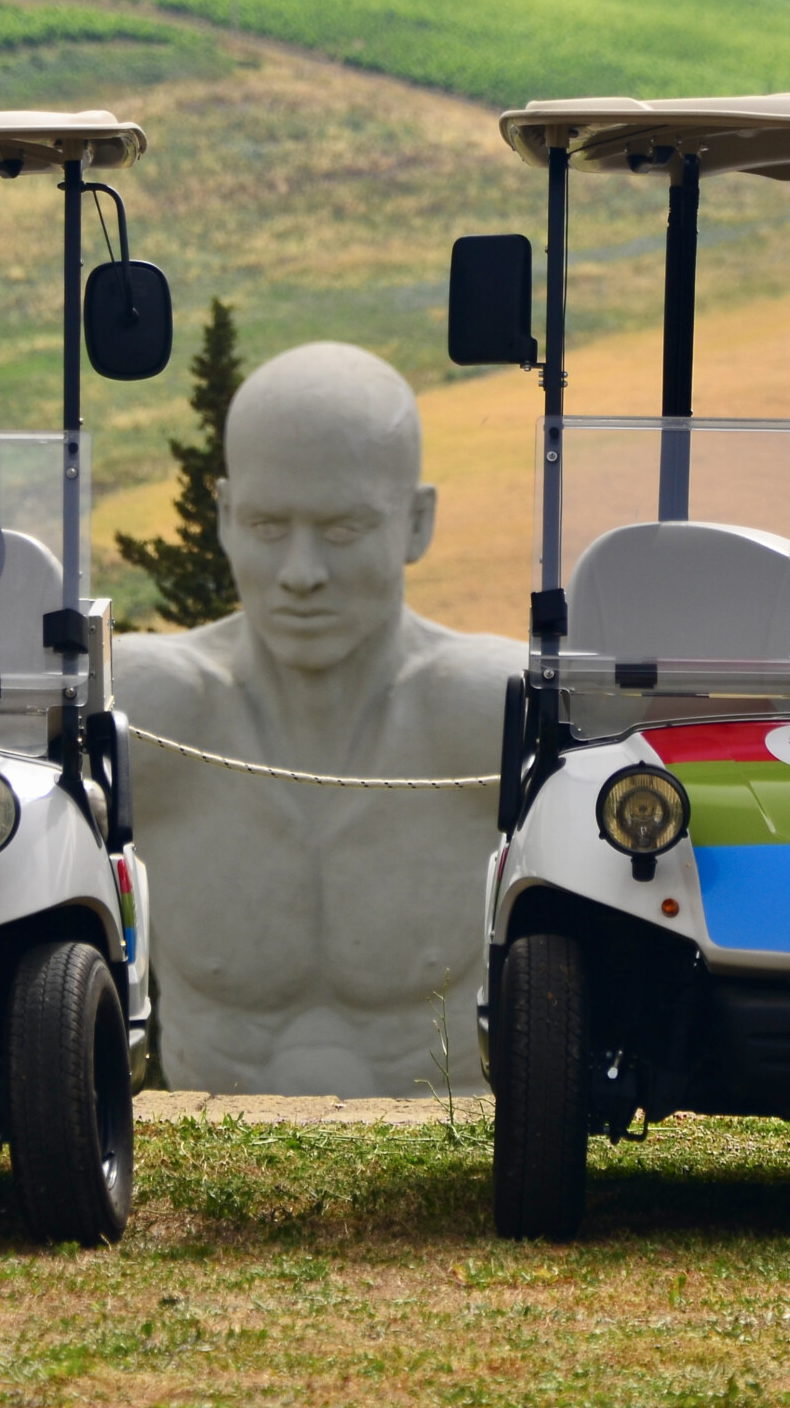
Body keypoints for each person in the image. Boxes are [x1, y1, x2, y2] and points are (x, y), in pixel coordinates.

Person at [117, 343, 517, 1096]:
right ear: (225, 517)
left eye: (342, 529)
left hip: (455, 1157)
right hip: (211, 1161)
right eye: (269, 526)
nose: (301, 574)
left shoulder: (489, 717)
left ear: (417, 522)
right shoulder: (149, 716)